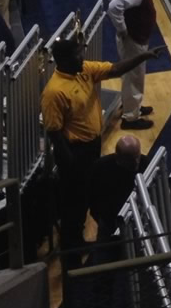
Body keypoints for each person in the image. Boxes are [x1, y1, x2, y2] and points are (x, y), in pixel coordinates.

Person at [43, 37, 162, 261]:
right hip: (73, 152)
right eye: (77, 55)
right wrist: (70, 165)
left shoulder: (84, 70)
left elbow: (115, 69)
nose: (82, 57)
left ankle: (77, 242)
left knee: (84, 196)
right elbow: (54, 132)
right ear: (64, 60)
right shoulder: (54, 92)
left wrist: (143, 56)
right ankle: (71, 253)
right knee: (74, 202)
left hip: (91, 146)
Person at [105, 0, 159, 132]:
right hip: (133, 39)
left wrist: (127, 16)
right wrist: (122, 27)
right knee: (134, 77)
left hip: (132, 37)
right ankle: (130, 118)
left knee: (130, 75)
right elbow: (114, 6)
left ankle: (131, 106)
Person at [88, 135, 143, 249]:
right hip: (109, 222)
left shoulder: (146, 164)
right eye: (131, 158)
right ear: (119, 157)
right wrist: (100, 217)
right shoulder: (101, 168)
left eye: (138, 156)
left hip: (138, 220)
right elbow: (92, 197)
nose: (136, 162)